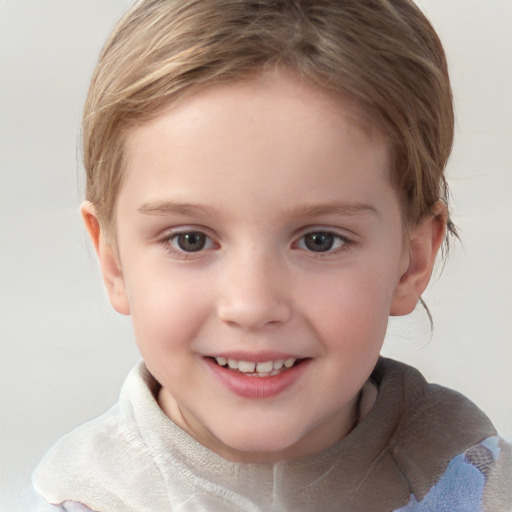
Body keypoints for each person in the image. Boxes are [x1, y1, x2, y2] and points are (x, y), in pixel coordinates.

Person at [32, 0, 512, 510]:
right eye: (190, 240)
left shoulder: (482, 488)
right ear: (112, 260)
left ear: (411, 260)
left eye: (319, 240)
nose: (253, 305)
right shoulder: (80, 500)